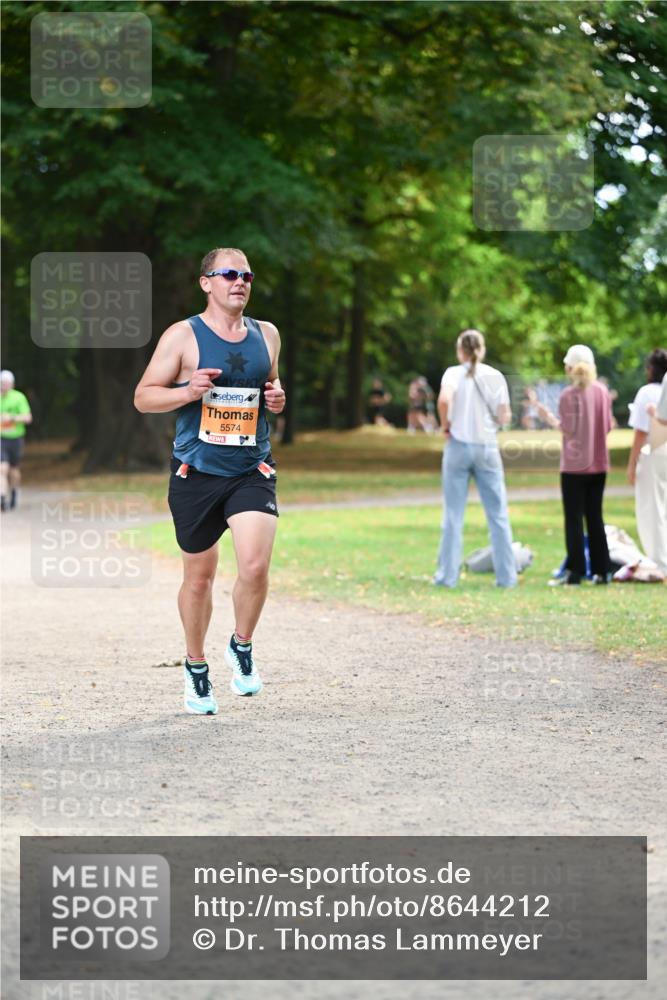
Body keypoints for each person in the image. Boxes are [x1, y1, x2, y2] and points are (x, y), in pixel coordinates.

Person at [134, 247, 286, 716]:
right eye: (229, 274)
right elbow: (143, 397)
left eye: (246, 275)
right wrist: (187, 392)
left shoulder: (268, 335)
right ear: (207, 283)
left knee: (255, 567)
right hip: (195, 474)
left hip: (250, 470)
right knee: (198, 580)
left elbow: (270, 388)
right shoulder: (183, 336)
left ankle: (241, 645)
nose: (240, 281)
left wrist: (276, 400)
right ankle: (196, 668)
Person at [433, 329, 517, 589]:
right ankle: (506, 578)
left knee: (453, 515)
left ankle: (447, 577)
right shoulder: (494, 376)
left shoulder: (453, 373)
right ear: (482, 349)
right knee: (498, 515)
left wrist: (445, 425)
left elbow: (444, 399)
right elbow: (504, 417)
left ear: (461, 351)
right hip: (487, 448)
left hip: (458, 446)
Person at [537, 345, 613, 585]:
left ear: (571, 367)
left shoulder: (568, 395)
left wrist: (549, 418)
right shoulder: (602, 392)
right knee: (595, 517)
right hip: (599, 464)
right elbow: (609, 425)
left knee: (574, 519)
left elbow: (568, 430)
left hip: (573, 467)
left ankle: (575, 571)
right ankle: (602, 571)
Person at [627, 349, 667, 573]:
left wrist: (631, 465)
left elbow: (641, 432)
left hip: (654, 453)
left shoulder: (647, 393)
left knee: (651, 509)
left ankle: (659, 561)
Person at [0, 370, 32, 512]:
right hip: (2, 438)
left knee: (14, 470)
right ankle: (2, 497)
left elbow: (28, 418)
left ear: (12, 384)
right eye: (2, 383)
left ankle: (14, 491)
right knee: (2, 468)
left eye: (6, 383)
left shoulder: (19, 398)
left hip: (16, 439)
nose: (4, 386)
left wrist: (12, 418)